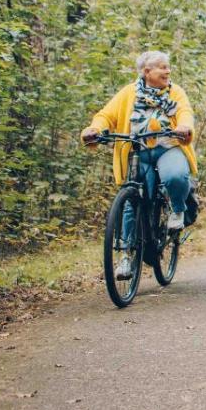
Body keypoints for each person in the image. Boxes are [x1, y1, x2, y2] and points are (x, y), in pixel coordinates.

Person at [82, 50, 197, 281]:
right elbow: (106, 115)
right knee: (131, 200)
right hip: (138, 150)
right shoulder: (129, 93)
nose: (168, 71)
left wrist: (184, 126)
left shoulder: (175, 92)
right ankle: (125, 256)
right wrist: (94, 129)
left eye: (168, 67)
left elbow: (184, 112)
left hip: (167, 147)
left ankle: (177, 210)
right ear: (147, 71)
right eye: (162, 67)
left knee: (175, 176)